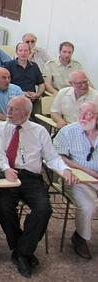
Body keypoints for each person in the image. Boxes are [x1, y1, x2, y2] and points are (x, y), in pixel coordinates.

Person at [0, 96, 77, 278]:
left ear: (26, 113)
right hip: (8, 174)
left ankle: (22, 251)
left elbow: (52, 157)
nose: (8, 112)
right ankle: (24, 250)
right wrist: (6, 169)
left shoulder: (39, 131)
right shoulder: (0, 128)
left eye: (14, 109)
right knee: (4, 207)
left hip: (31, 177)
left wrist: (65, 169)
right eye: (9, 107)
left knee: (44, 209)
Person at [53, 101, 98, 260]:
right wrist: (85, 170)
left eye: (89, 114)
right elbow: (58, 157)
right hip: (76, 178)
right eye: (81, 113)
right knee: (88, 205)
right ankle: (80, 238)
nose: (83, 118)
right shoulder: (68, 131)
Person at [3, 42, 45, 109]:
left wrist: (37, 94)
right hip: (14, 99)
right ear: (16, 52)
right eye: (20, 50)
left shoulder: (34, 66)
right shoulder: (8, 65)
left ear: (29, 52)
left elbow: (41, 83)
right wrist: (22, 94)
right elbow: (4, 84)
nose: (23, 53)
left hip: (32, 100)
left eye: (26, 50)